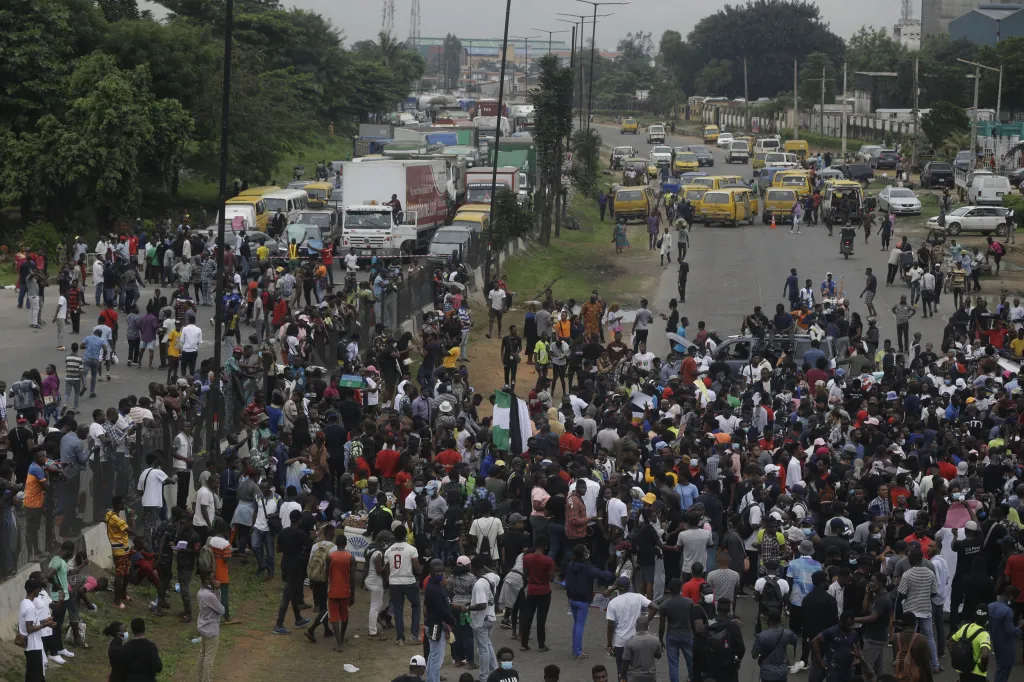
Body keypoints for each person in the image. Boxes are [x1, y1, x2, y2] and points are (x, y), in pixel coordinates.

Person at [606, 576, 658, 680]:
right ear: (629, 586)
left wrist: (609, 644)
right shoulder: (638, 597)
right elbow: (655, 607)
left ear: (617, 588)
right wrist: (646, 621)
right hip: (637, 639)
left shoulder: (613, 603)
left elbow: (610, 625)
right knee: (638, 669)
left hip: (621, 642)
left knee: (621, 671)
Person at [659, 577, 696, 682]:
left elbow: (662, 625)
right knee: (691, 661)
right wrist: (695, 634)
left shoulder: (664, 605)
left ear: (669, 589)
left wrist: (661, 639)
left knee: (673, 664)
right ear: (681, 588)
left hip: (672, 636)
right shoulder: (689, 602)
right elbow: (693, 620)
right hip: (687, 635)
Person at [948, 603, 992, 682]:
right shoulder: (984, 634)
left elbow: (950, 643)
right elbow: (984, 655)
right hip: (977, 674)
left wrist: (956, 657)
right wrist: (983, 668)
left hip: (963, 670)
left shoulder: (966, 627)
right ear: (987, 619)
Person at [751, 608, 797, 682]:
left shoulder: (761, 636)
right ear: (780, 620)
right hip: (782, 672)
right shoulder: (787, 634)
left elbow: (754, 655)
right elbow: (794, 640)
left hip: (767, 673)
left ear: (768, 620)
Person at [111, 617, 162, 682]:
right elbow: (158, 667)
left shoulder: (126, 647)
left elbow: (121, 669)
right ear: (144, 628)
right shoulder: (151, 646)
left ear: (132, 630)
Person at [195, 572, 225, 682]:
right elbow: (221, 610)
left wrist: (214, 589)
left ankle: (199, 679)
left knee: (202, 655)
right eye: (213, 579)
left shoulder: (200, 592)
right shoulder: (210, 595)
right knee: (209, 659)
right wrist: (217, 590)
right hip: (211, 630)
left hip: (203, 627)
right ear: (207, 581)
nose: (215, 580)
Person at [622, 614, 661, 682]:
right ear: (648, 627)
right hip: (650, 676)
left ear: (636, 626)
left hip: (634, 677)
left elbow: (625, 662)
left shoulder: (629, 642)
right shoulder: (655, 640)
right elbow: (658, 656)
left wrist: (622, 676)